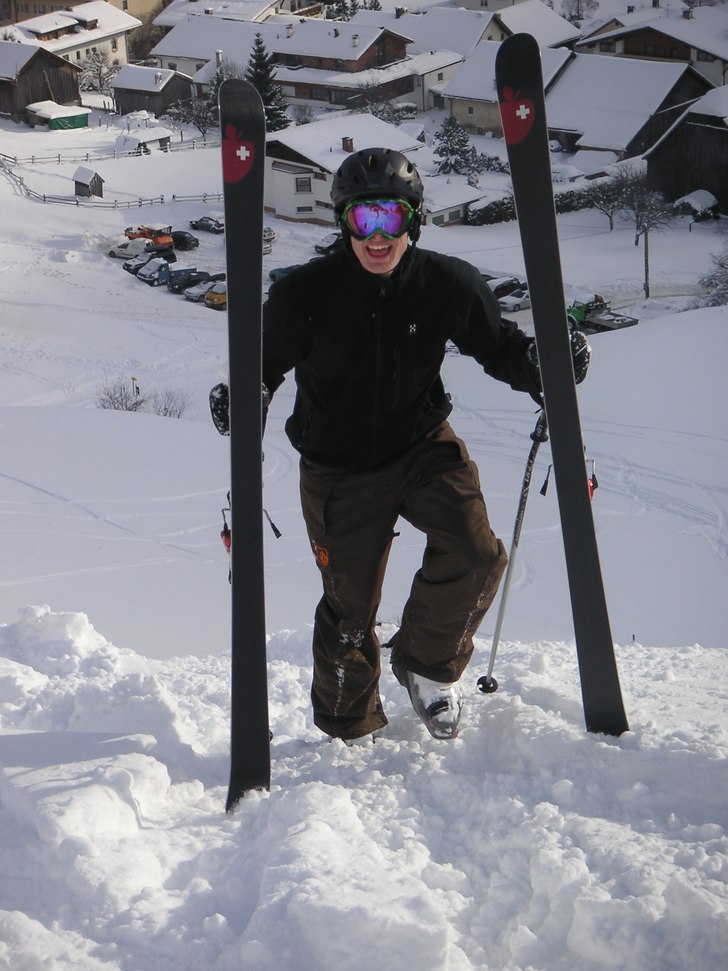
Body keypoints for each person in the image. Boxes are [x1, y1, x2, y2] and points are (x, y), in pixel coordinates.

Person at [216, 147, 590, 744]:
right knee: (350, 611)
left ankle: (428, 666)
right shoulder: (302, 296)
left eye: (390, 217)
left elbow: (499, 346)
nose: (378, 236)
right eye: (362, 220)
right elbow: (261, 366)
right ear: (344, 225)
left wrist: (542, 365)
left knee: (476, 553)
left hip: (421, 444)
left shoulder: (447, 284)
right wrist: (243, 395)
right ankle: (348, 727)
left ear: (412, 220)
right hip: (337, 467)